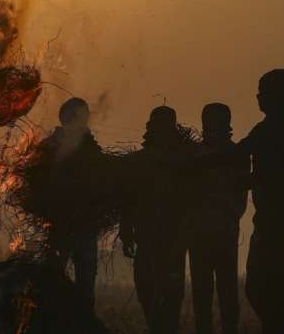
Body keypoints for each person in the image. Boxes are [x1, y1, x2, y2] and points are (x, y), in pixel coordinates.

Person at [239, 68, 284, 334]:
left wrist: (201, 166)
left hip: (275, 219)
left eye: (262, 93)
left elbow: (245, 156)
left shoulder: (273, 128)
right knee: (269, 295)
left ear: (274, 97)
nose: (258, 97)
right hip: (278, 218)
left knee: (260, 291)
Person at [120, 106, 197, 334]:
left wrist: (184, 238)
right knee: (146, 293)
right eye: (157, 127)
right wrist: (126, 234)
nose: (161, 132)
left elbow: (190, 205)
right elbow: (128, 200)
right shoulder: (139, 162)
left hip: (173, 243)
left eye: (165, 127)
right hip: (146, 240)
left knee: (170, 301)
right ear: (151, 130)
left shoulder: (183, 164)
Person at [188, 103, 248, 334]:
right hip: (207, 233)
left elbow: (239, 200)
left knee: (225, 295)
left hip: (219, 233)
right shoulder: (195, 154)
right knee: (206, 296)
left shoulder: (235, 155)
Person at [39, 97, 102, 314]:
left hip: (85, 227)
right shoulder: (48, 148)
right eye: (81, 116)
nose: (86, 121)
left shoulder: (91, 148)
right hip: (59, 227)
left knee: (86, 288)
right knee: (53, 284)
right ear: (67, 118)